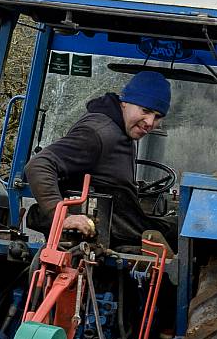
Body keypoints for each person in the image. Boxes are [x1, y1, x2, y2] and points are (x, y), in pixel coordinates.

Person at [24, 70, 177, 248]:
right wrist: (63, 218)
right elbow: (39, 165)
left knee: (178, 226)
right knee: (189, 233)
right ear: (125, 102)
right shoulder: (98, 133)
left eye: (157, 117)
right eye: (145, 110)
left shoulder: (122, 132)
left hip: (124, 225)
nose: (150, 122)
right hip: (117, 232)